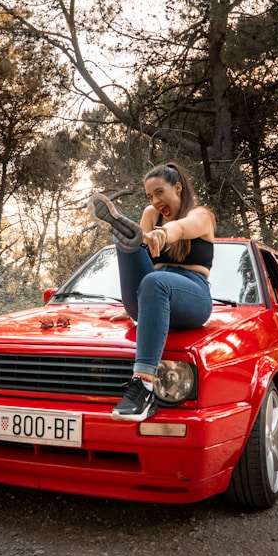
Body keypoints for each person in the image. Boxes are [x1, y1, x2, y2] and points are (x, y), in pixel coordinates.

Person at [87, 162, 216, 422]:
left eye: (160, 193)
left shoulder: (201, 215)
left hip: (191, 295)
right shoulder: (151, 214)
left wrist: (162, 233)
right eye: (149, 196)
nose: (155, 201)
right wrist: (131, 307)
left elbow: (180, 228)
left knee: (156, 280)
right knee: (129, 246)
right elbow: (141, 268)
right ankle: (123, 237)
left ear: (178, 188)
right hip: (148, 294)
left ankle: (144, 386)